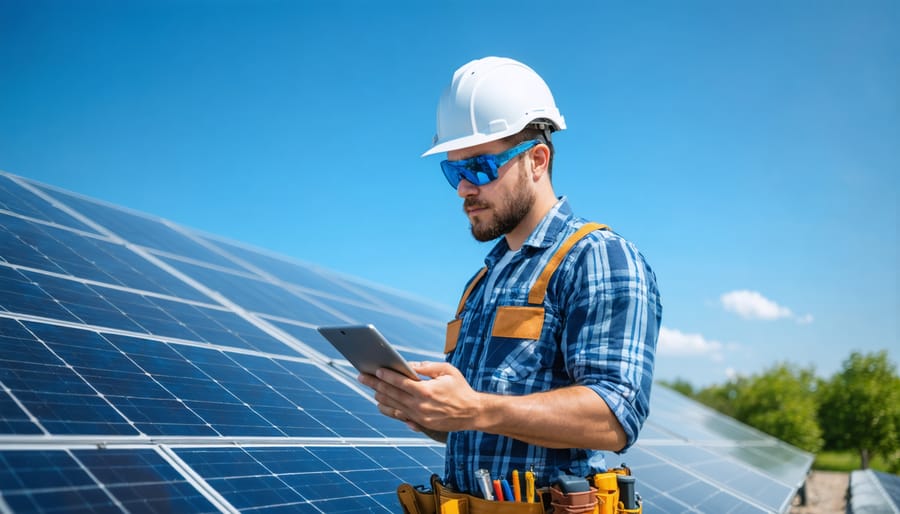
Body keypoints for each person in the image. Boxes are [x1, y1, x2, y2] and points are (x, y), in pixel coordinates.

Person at [358, 56, 662, 501]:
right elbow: (491, 427)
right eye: (453, 171)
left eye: (478, 168)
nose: (464, 188)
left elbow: (615, 418)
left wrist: (475, 408)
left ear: (537, 160)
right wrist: (433, 414)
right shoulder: (482, 282)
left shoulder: (598, 259)